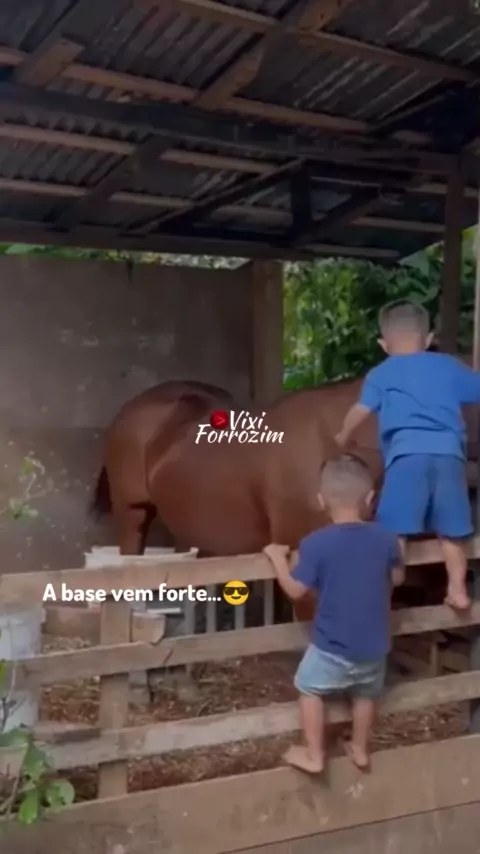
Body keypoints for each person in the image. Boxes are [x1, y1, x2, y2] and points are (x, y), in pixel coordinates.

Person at [335, 299, 480, 611]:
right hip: (449, 457)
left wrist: (343, 435)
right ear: (428, 339)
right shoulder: (448, 366)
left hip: (406, 457)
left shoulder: (381, 374)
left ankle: (388, 587)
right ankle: (458, 590)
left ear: (384, 344)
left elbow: (360, 410)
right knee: (452, 532)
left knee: (395, 529)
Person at [264, 455, 404, 775]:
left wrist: (278, 560)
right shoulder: (387, 538)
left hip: (332, 648)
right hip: (375, 649)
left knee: (308, 688)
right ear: (370, 498)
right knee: (366, 695)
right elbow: (397, 578)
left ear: (320, 501)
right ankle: (360, 749)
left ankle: (314, 754)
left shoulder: (315, 544)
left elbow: (296, 591)